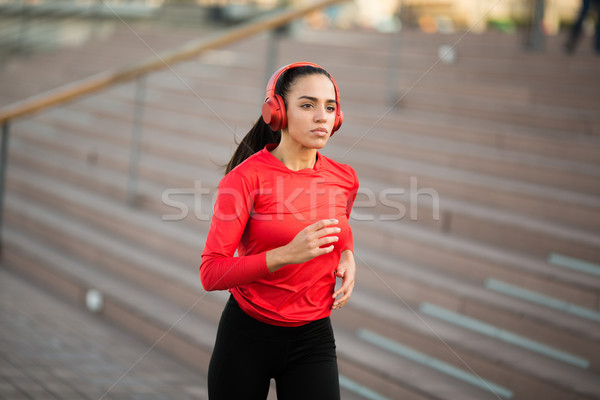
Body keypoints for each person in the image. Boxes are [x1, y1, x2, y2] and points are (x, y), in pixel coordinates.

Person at [200, 62, 359, 400]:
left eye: (330, 107)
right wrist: (287, 254)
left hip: (312, 338)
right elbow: (211, 273)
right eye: (307, 104)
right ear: (277, 112)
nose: (322, 116)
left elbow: (339, 227)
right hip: (247, 337)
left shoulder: (345, 177)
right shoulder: (244, 180)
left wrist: (347, 254)